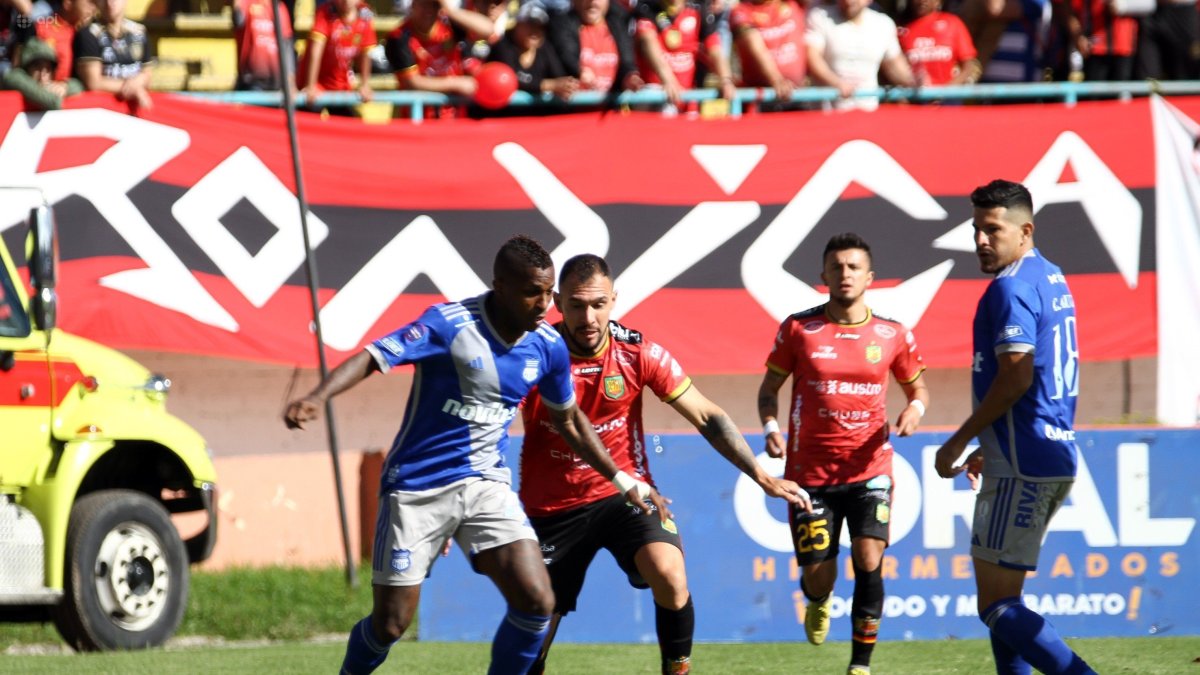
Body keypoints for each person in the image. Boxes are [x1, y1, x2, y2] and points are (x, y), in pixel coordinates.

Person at [285, 235, 666, 675]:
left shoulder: (547, 345)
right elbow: (373, 356)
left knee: (537, 600)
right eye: (531, 293)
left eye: (547, 293)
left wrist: (621, 479)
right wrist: (317, 397)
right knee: (391, 624)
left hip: (486, 485)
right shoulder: (447, 325)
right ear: (499, 286)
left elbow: (571, 421)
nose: (545, 305)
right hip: (417, 487)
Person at [522, 254, 809, 675]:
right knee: (536, 624)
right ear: (558, 303)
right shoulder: (532, 354)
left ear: (614, 300)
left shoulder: (638, 352)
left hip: (627, 495)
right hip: (553, 507)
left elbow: (706, 416)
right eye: (578, 305)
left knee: (671, 576)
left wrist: (761, 475)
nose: (589, 316)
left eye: (599, 304)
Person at [933, 180, 1097, 675]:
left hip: (1024, 458)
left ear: (1025, 230)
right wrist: (991, 442)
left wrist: (960, 439)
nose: (982, 239)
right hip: (1043, 450)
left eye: (993, 229)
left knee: (996, 605)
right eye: (976, 229)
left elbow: (1019, 374)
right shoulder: (1051, 276)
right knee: (1005, 600)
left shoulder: (1011, 286)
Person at [757, 232, 929, 675]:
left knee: (870, 557)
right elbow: (769, 389)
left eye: (854, 267)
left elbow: (917, 386)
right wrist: (771, 427)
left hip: (870, 468)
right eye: (837, 267)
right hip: (809, 475)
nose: (845, 273)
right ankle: (816, 599)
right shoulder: (799, 329)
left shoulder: (892, 334)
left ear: (869, 277)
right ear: (824, 276)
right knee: (821, 576)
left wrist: (916, 407)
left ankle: (860, 664)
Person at [806, 0, 915, 110]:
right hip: (828, 116)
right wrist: (837, 83)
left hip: (866, 113)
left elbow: (896, 67)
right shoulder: (820, 17)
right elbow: (813, 58)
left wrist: (914, 81)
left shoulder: (884, 24)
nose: (849, 1)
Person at [632, 0, 736, 108]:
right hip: (659, 94)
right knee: (663, 104)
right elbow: (648, 42)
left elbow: (715, 49)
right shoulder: (647, 8)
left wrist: (726, 80)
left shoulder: (699, 9)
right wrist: (668, 80)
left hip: (687, 98)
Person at [384, 0, 493, 98]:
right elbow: (412, 82)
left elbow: (487, 29)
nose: (429, 10)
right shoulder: (399, 37)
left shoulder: (449, 25)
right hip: (419, 112)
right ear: (413, 5)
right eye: (424, 4)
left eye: (435, 5)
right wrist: (456, 84)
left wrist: (451, 11)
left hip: (455, 113)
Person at [547, 0, 643, 96]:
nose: (592, 3)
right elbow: (565, 54)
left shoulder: (618, 26)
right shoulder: (560, 25)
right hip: (572, 106)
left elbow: (627, 62)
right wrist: (579, 71)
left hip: (611, 107)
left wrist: (630, 77)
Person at [486, 2, 577, 100]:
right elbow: (511, 81)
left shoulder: (545, 48)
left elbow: (559, 76)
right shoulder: (502, 46)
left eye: (540, 27)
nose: (535, 31)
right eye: (530, 25)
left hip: (534, 113)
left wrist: (567, 85)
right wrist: (550, 85)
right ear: (517, 25)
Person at [74, 0, 154, 110]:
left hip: (133, 111)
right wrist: (133, 89)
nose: (109, 3)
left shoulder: (139, 32)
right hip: (102, 111)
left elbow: (147, 74)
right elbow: (93, 83)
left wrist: (138, 82)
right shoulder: (88, 34)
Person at [297, 0, 375, 109]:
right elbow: (315, 51)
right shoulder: (325, 12)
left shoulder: (365, 15)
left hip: (340, 85)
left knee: (347, 123)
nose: (346, 1)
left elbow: (366, 53)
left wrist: (365, 85)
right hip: (317, 84)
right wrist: (311, 85)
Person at [728, 0, 806, 103]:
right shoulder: (740, 11)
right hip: (763, 99)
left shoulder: (792, 4)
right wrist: (777, 80)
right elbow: (756, 47)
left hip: (801, 95)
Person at [10, 0, 96, 86]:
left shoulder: (88, 34)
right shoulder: (39, 28)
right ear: (68, 3)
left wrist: (66, 87)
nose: (93, 7)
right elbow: (17, 71)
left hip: (70, 96)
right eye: (89, 2)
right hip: (37, 93)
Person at [899, 0, 982, 86]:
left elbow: (969, 66)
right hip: (914, 95)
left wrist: (946, 90)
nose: (922, 1)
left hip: (949, 96)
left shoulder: (953, 23)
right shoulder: (901, 30)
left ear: (938, 2)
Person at [2, 35, 82, 108]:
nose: (43, 75)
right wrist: (52, 94)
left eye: (48, 69)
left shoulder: (53, 84)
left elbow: (78, 86)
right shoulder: (14, 77)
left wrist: (65, 87)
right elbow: (53, 102)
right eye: (37, 67)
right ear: (26, 68)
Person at [229, 0, 293, 91]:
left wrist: (290, 83)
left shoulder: (280, 8)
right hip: (251, 82)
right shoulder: (247, 3)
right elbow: (237, 19)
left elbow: (287, 48)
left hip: (276, 84)